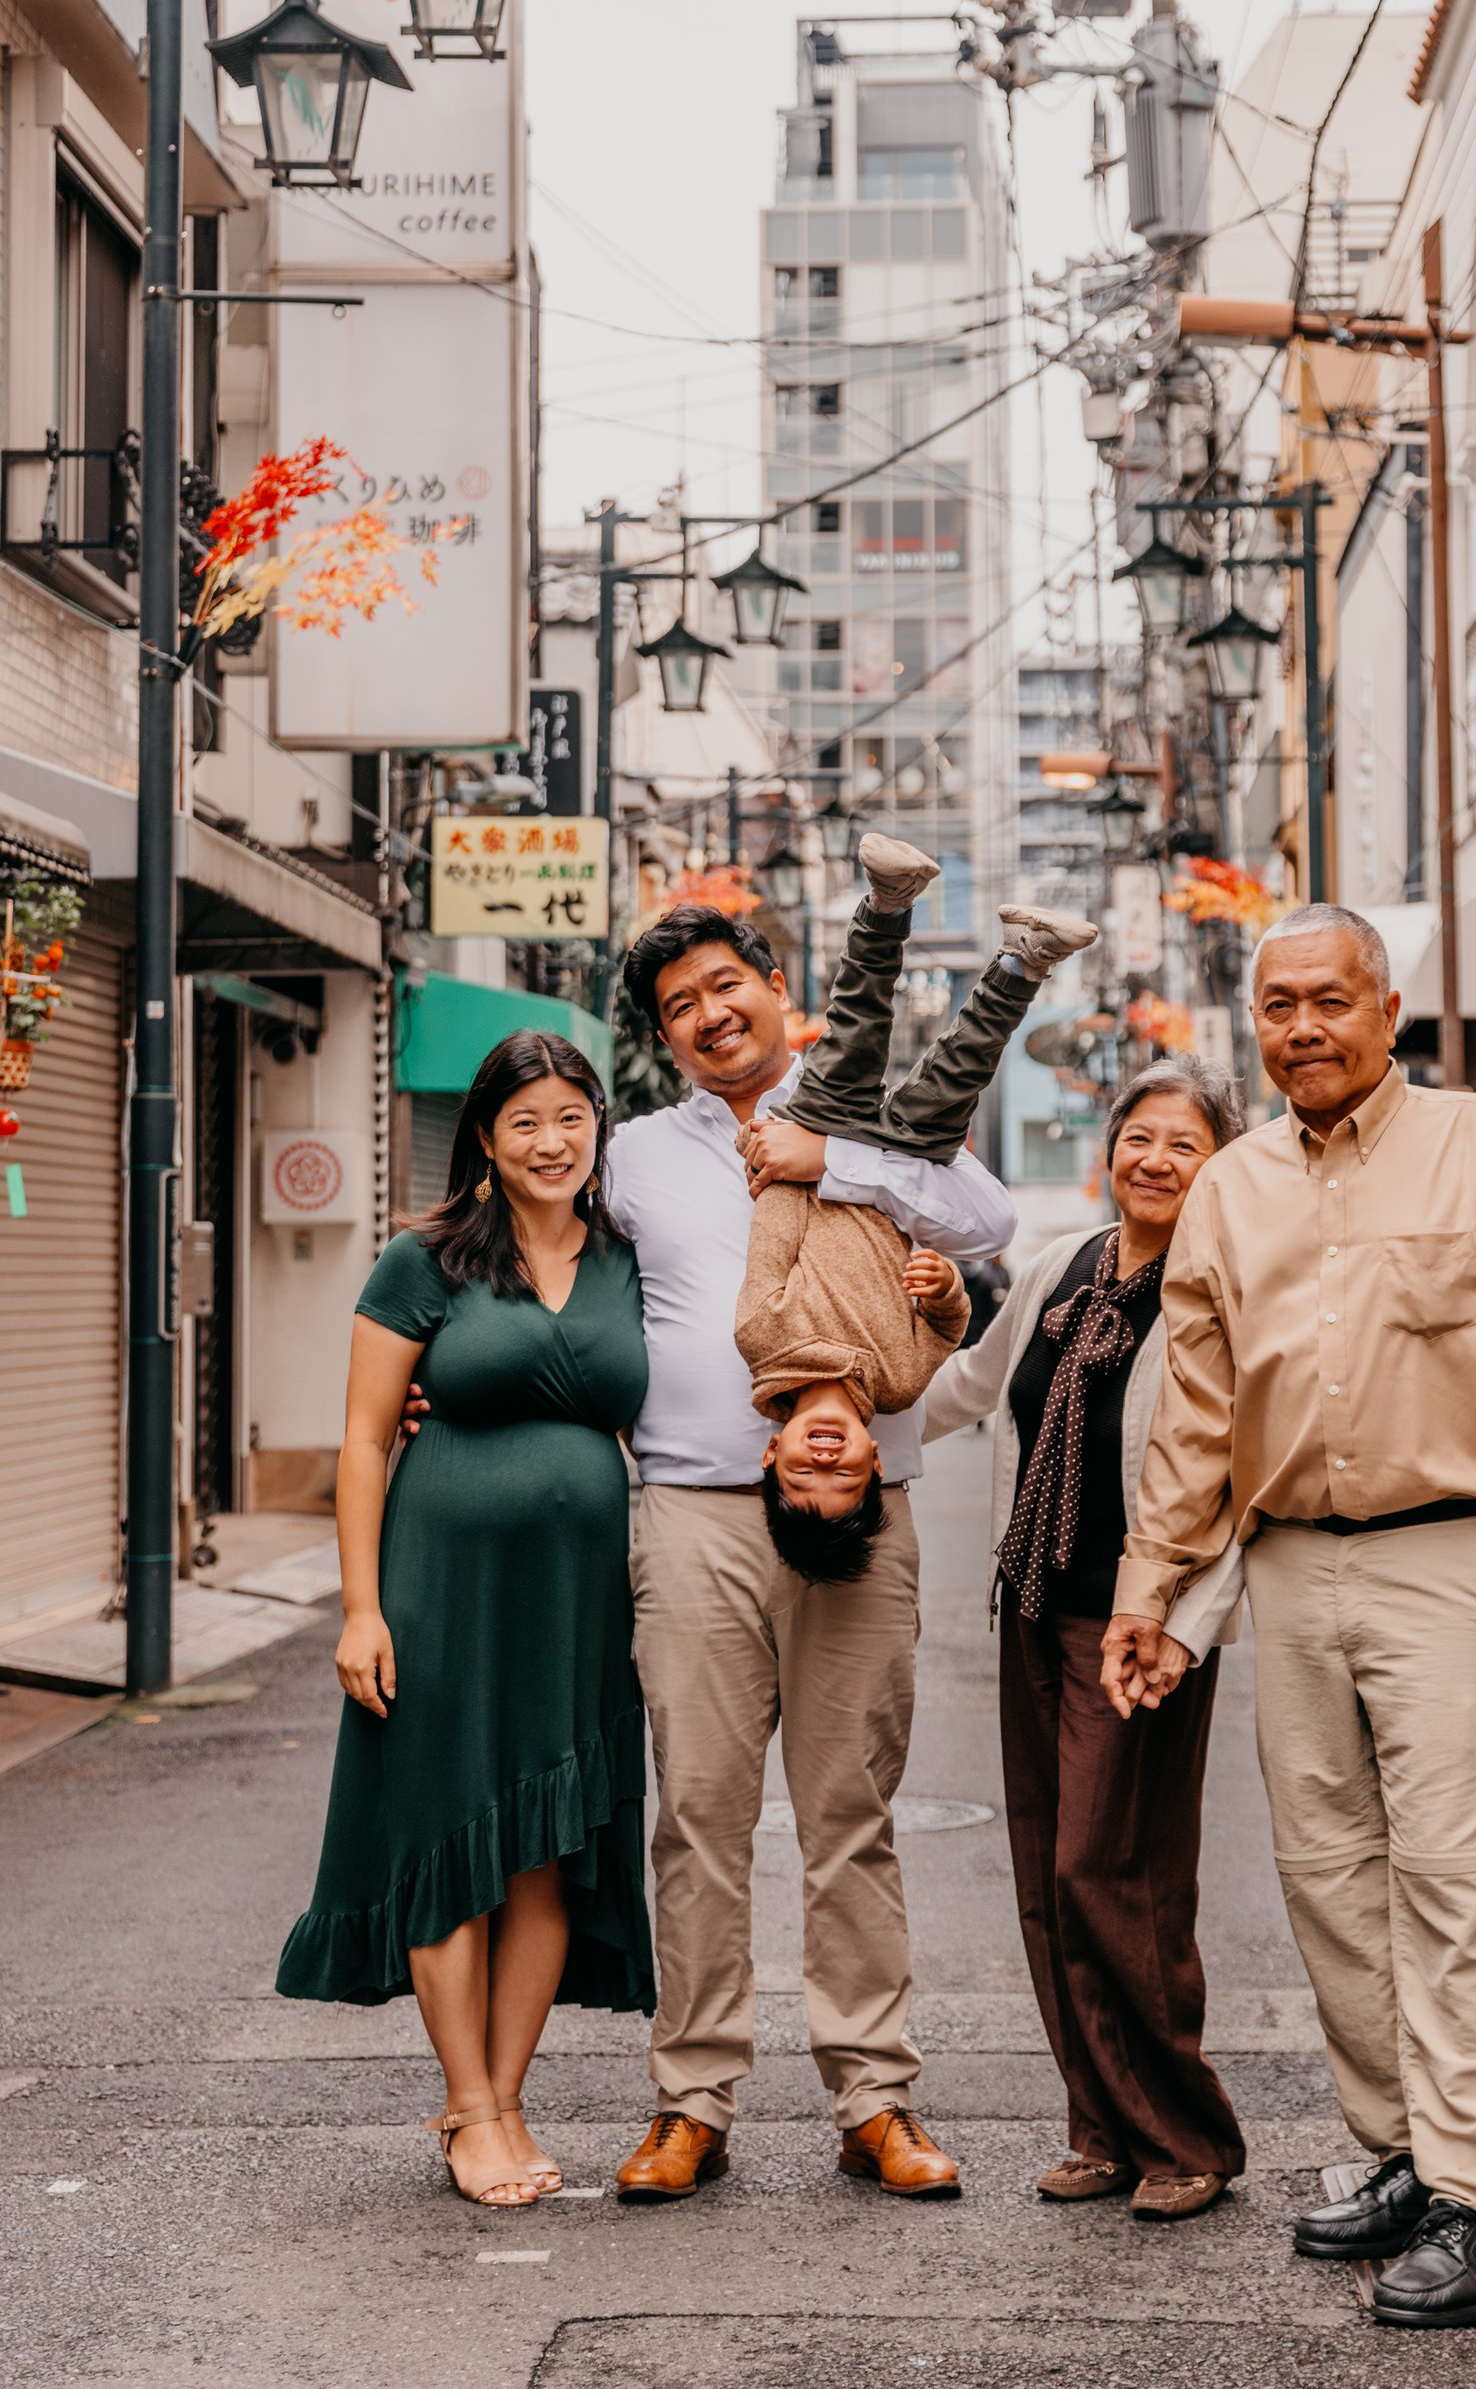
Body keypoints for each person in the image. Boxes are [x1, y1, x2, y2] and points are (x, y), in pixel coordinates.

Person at [1104, 906, 1476, 2328]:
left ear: (1387, 1010)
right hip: (1292, 1565)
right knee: (1328, 1876)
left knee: (1457, 1876)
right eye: (1279, 1005)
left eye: (1330, 1000)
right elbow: (1199, 1412)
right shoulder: (1231, 1188)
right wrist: (1151, 1585)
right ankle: (1406, 2148)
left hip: (1454, 1554)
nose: (1304, 1028)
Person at [602, 868, 1022, 2205]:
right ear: (664, 1036)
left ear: (780, 990)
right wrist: (429, 1377)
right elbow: (542, 1272)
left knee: (851, 1814)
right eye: (680, 1004)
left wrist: (828, 1162)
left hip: (858, 1506)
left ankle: (874, 2096)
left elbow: (990, 1221)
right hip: (693, 1516)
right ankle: (692, 2100)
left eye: (727, 984)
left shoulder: (871, 1114)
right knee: (696, 1816)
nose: (709, 1013)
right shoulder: (632, 1156)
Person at [278, 1034, 651, 2211]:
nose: (552, 1140)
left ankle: (507, 2095)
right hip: (442, 1585)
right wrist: (360, 1608)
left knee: (545, 1848)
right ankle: (469, 2107)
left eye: (572, 1116)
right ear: (485, 1136)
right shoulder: (424, 1257)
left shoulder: (627, 1260)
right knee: (450, 1835)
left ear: (599, 1125)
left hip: (577, 1602)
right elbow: (361, 1437)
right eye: (525, 1120)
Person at [923, 1060, 1249, 2224]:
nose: (1154, 1159)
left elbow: (1242, 1481)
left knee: (1116, 1875)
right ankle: (1101, 2127)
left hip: (1140, 1628)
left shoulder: (1222, 1289)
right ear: (1110, 1150)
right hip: (1033, 1601)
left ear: (1222, 1166)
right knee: (1046, 1877)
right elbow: (969, 1385)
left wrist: (1189, 1627)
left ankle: (1186, 2136)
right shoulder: (1063, 1267)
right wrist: (833, 1414)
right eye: (1138, 1137)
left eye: (1184, 1143)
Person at [740, 834, 1096, 1578]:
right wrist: (942, 1291)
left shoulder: (761, 1338)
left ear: (772, 1454)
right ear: (877, 1461)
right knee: (958, 1072)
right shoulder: (900, 1386)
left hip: (817, 1140)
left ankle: (888, 900)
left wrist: (785, 1155)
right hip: (901, 1169)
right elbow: (949, 1326)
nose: (825, 1462)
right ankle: (1024, 960)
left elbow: (775, 1227)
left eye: (802, 1476)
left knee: (855, 1029)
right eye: (844, 1479)